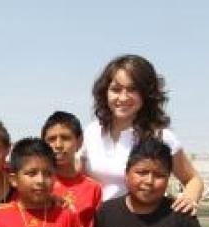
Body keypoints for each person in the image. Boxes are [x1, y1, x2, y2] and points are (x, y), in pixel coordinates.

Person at [82, 54, 202, 213]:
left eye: (132, 89)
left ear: (146, 94)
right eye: (116, 90)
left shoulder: (161, 136)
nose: (123, 97)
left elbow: (193, 180)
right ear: (105, 92)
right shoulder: (91, 132)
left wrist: (189, 198)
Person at [42, 111, 103, 227]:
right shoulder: (35, 184)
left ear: (79, 142)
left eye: (65, 138)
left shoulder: (93, 189)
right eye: (51, 139)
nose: (58, 145)